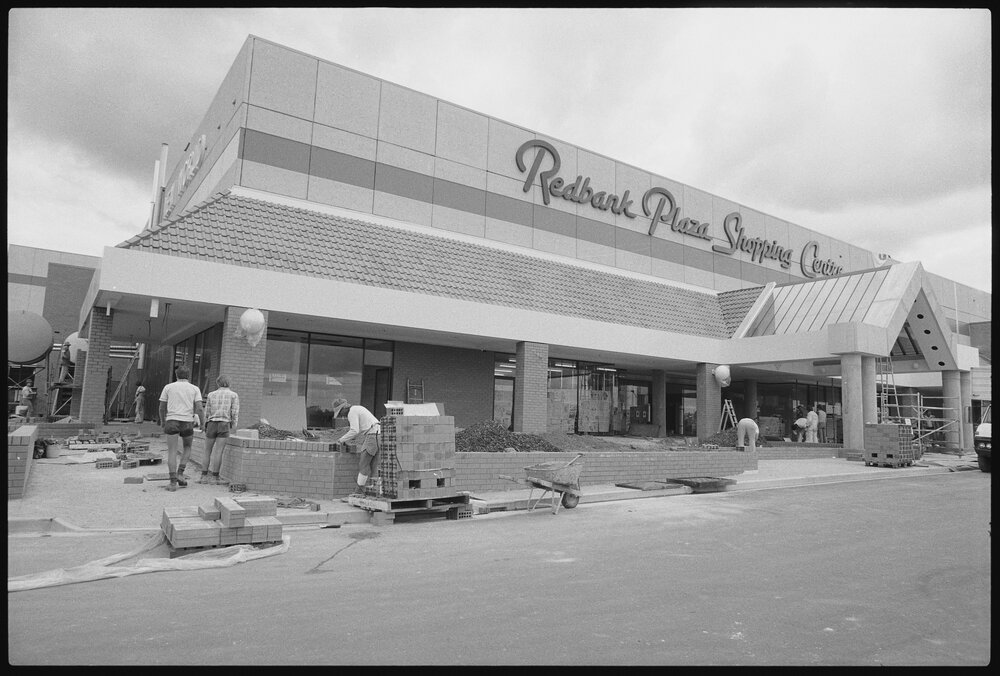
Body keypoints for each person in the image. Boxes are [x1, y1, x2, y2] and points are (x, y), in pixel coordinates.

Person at [158, 365, 205, 492]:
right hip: (187, 422)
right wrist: (203, 423)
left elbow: (162, 407)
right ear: (188, 375)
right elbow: (200, 408)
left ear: (176, 374)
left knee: (172, 451)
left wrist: (163, 421)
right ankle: (180, 473)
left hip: (172, 420)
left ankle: (173, 483)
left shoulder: (168, 387)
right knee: (187, 447)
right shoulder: (195, 388)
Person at [332, 397, 381, 497]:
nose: (342, 416)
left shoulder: (352, 412)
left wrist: (341, 440)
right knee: (373, 465)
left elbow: (354, 430)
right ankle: (374, 491)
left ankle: (358, 492)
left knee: (363, 464)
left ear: (343, 408)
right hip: (378, 434)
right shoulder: (357, 408)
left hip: (372, 435)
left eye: (340, 413)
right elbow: (360, 429)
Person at [200, 375, 240, 485]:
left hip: (212, 423)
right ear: (229, 383)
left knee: (207, 450)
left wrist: (205, 424)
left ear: (218, 383)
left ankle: (203, 476)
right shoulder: (233, 395)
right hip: (224, 423)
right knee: (218, 451)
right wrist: (233, 425)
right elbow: (234, 412)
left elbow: (206, 411)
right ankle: (215, 477)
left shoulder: (211, 395)